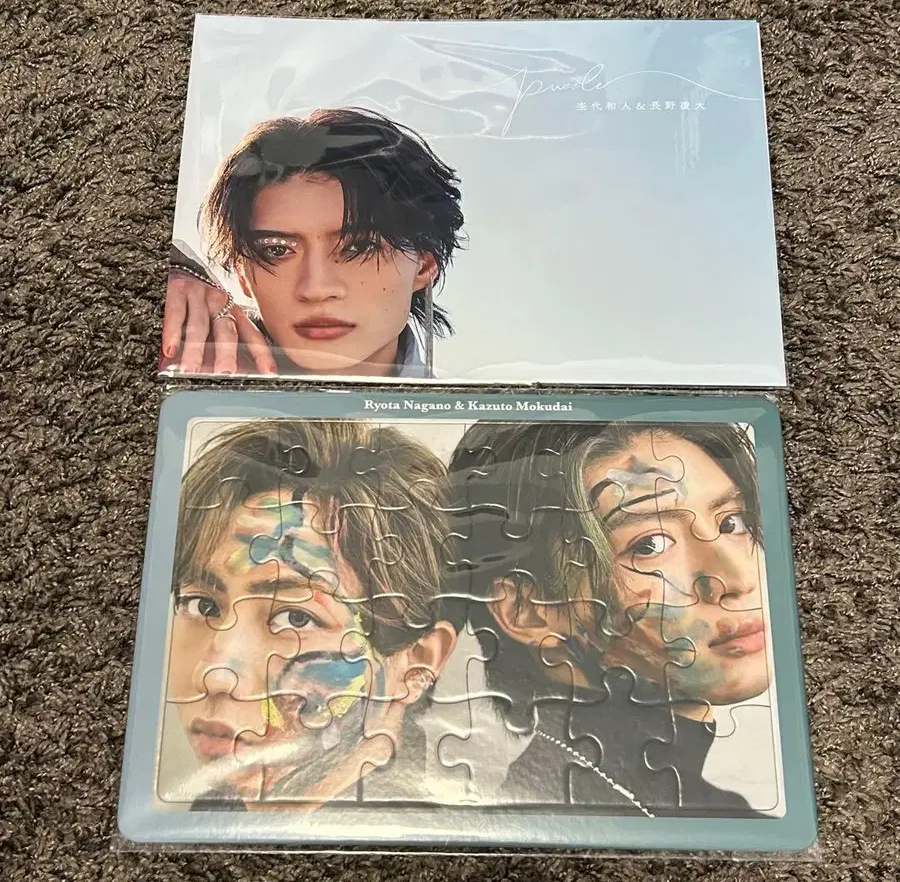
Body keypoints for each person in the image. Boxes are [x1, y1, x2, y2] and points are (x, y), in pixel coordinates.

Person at [442, 421, 770, 816]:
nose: (739, 578)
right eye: (649, 545)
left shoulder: (718, 812)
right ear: (526, 611)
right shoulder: (554, 819)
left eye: (732, 522)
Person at [165, 420, 459, 809]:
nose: (216, 675)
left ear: (417, 662)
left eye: (296, 618)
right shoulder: (207, 812)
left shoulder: (437, 833)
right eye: (202, 605)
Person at [159, 108, 465, 378]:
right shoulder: (193, 370)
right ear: (242, 274)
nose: (315, 289)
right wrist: (173, 276)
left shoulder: (472, 417)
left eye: (359, 247)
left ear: (423, 266)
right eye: (277, 250)